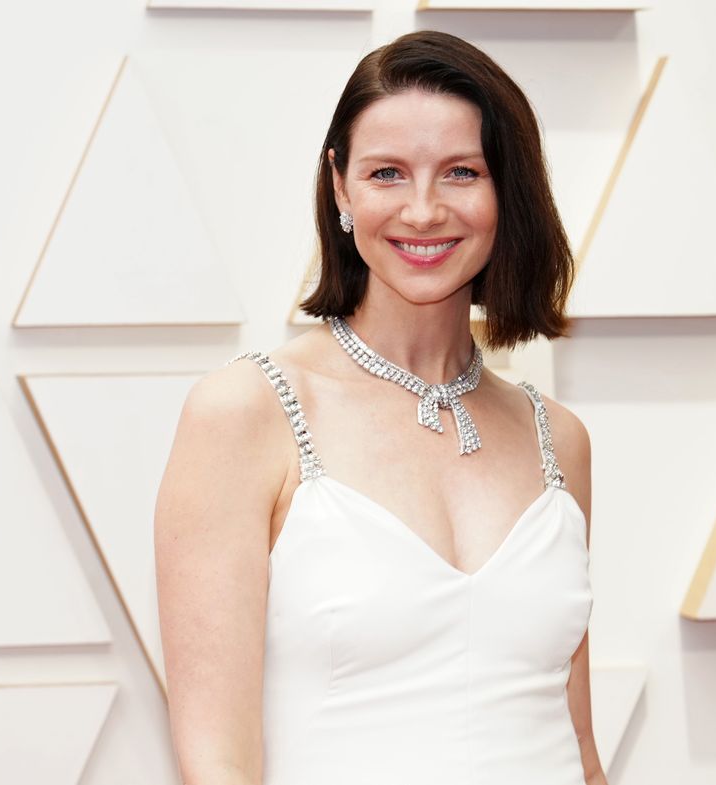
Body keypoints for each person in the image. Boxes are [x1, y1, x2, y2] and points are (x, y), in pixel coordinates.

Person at [154, 29, 603, 785]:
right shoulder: (245, 412)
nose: (423, 210)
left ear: (507, 193)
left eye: (461, 172)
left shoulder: (557, 436)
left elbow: (577, 740)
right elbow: (216, 761)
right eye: (387, 172)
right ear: (340, 186)